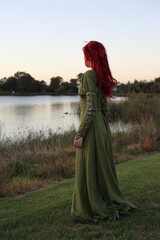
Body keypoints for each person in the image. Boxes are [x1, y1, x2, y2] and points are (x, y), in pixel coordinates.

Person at [71, 41, 137, 224]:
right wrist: (104, 130)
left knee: (90, 165)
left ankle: (93, 206)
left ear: (88, 56)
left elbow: (91, 108)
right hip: (101, 127)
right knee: (99, 165)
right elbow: (103, 109)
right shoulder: (100, 76)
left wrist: (80, 133)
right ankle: (104, 200)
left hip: (91, 127)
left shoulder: (89, 75)